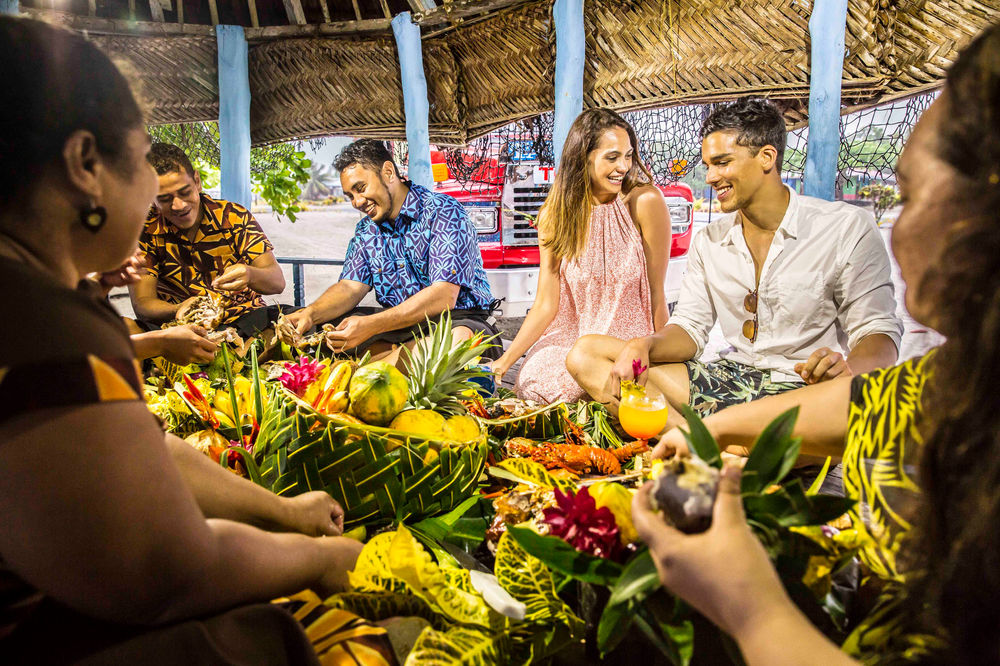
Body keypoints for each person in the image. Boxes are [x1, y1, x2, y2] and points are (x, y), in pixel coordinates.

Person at [632, 21, 1000, 664]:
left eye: (909, 194)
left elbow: (872, 348)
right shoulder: (971, 371)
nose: (898, 224)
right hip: (737, 388)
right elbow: (874, 401)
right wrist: (713, 428)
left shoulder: (841, 228)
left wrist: (750, 608)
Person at [0, 17, 364, 664]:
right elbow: (166, 575)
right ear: (86, 164)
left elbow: (144, 447)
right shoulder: (42, 323)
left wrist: (284, 512)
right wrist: (323, 557)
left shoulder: (37, 298)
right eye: (141, 159)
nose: (159, 202)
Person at [567, 98, 902, 424]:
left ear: (766, 157)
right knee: (586, 355)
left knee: (852, 412)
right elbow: (690, 330)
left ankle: (720, 439)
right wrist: (645, 345)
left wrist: (848, 374)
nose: (711, 177)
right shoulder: (709, 241)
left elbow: (878, 333)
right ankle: (707, 443)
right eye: (708, 165)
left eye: (722, 162)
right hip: (726, 383)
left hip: (802, 394)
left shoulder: (845, 228)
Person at [488, 109, 670, 403]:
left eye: (628, 155)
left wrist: (666, 358)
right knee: (535, 382)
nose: (623, 166)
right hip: (574, 338)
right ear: (583, 157)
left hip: (627, 342)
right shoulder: (554, 215)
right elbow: (547, 303)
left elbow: (657, 296)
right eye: (612, 157)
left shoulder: (645, 201)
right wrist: (505, 361)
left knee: (592, 383)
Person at [282, 139, 501, 366]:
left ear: (388, 172)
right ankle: (387, 361)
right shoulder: (366, 230)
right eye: (350, 196)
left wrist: (372, 325)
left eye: (360, 188)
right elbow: (349, 287)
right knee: (317, 331)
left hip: (456, 320)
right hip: (398, 327)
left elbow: (443, 296)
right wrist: (311, 314)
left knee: (459, 341)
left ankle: (375, 365)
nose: (357, 202)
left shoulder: (443, 211)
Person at [129, 142, 287, 338]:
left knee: (293, 321)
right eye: (164, 199)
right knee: (123, 327)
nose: (178, 205)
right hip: (179, 330)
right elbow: (143, 303)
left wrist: (250, 274)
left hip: (243, 319)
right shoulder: (143, 231)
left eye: (185, 192)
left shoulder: (234, 216)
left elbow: (277, 282)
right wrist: (180, 308)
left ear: (197, 181)